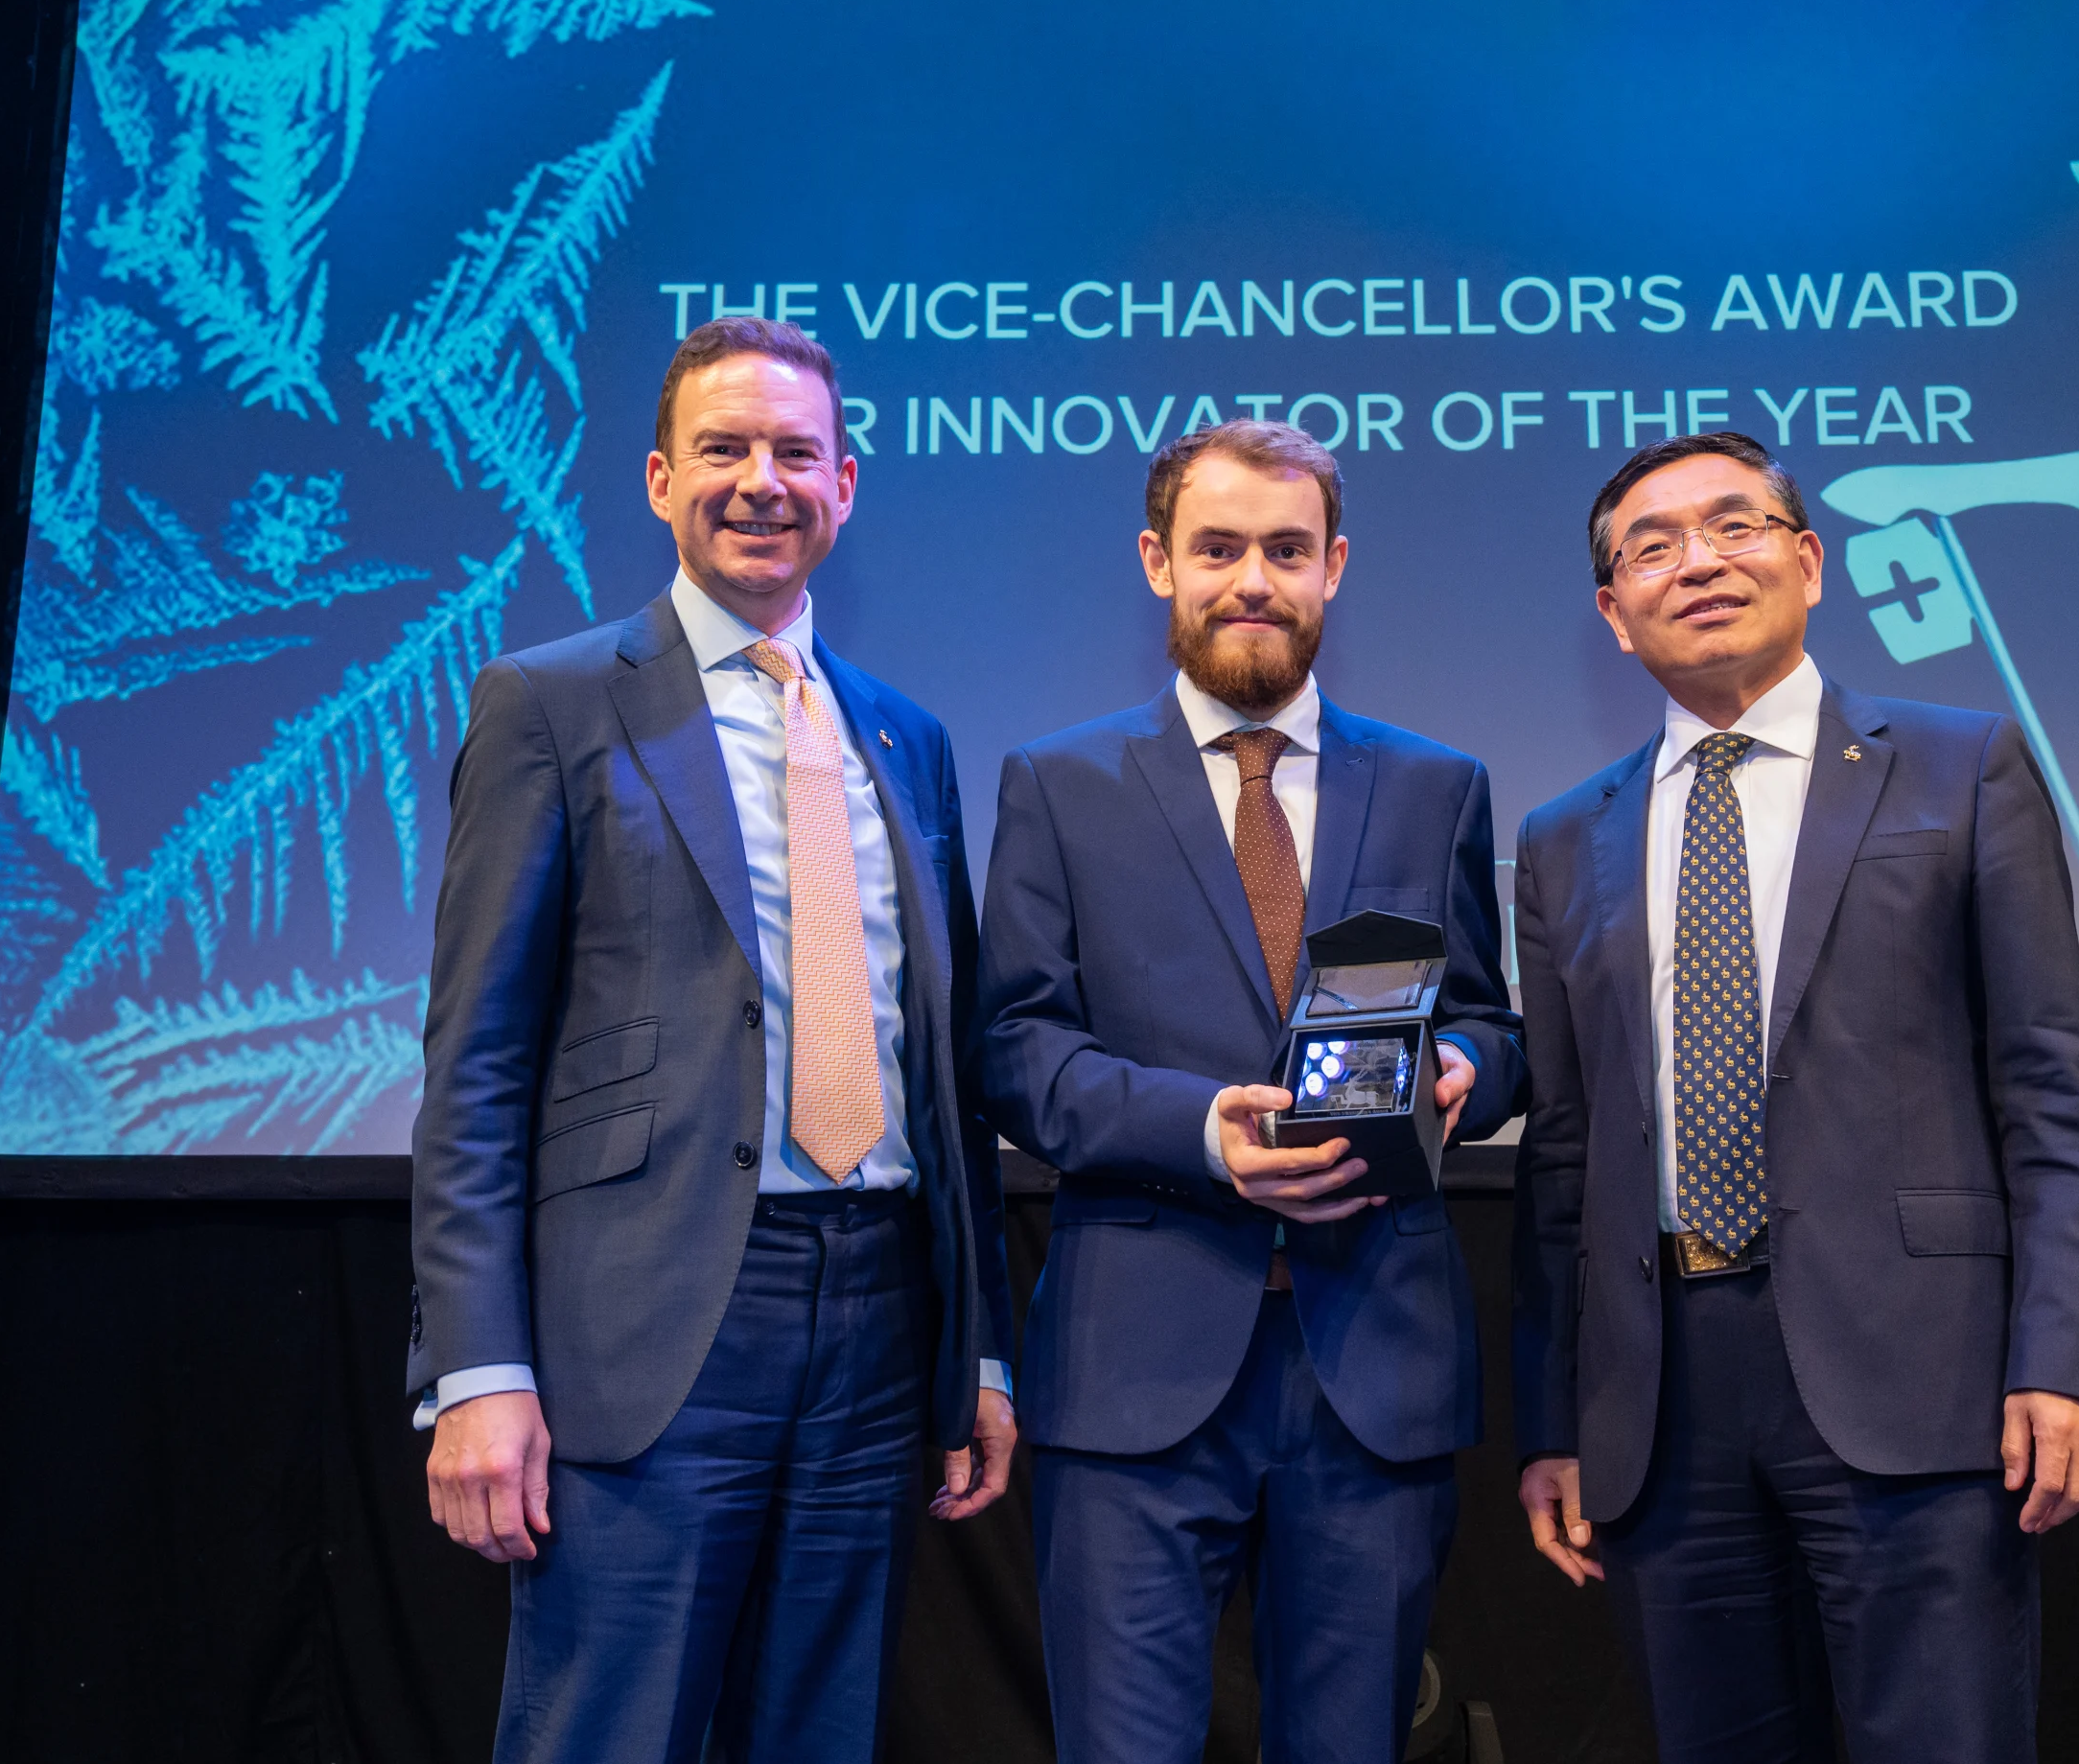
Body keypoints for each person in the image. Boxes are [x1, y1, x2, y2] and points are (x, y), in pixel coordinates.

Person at [408, 315, 1016, 1762]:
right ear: (658, 477)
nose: (762, 480)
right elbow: (476, 1068)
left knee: (819, 1729)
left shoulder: (906, 736)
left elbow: (942, 1075)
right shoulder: (548, 701)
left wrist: (978, 1350)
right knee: (607, 1734)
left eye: (795, 452)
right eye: (726, 449)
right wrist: (477, 1369)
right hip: (655, 1317)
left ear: (846, 486)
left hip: (878, 1315)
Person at [1509, 430, 2079, 1763]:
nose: (1698, 561)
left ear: (1807, 563)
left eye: (1735, 525)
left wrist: (2067, 1360)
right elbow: (1562, 1154)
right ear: (1614, 617)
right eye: (1652, 545)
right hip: (1662, 1400)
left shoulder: (1963, 766)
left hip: (1921, 1379)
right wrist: (1555, 1418)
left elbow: (2055, 1093)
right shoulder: (1565, 836)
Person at [980, 420, 1528, 1764]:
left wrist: (1470, 1067)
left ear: (1332, 566)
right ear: (1158, 562)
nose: (1251, 579)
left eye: (1285, 549)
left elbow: (1490, 1021)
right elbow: (1015, 1048)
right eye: (1217, 547)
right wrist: (1200, 1133)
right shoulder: (1056, 784)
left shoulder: (1435, 783)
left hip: (1371, 1363)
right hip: (1135, 1372)